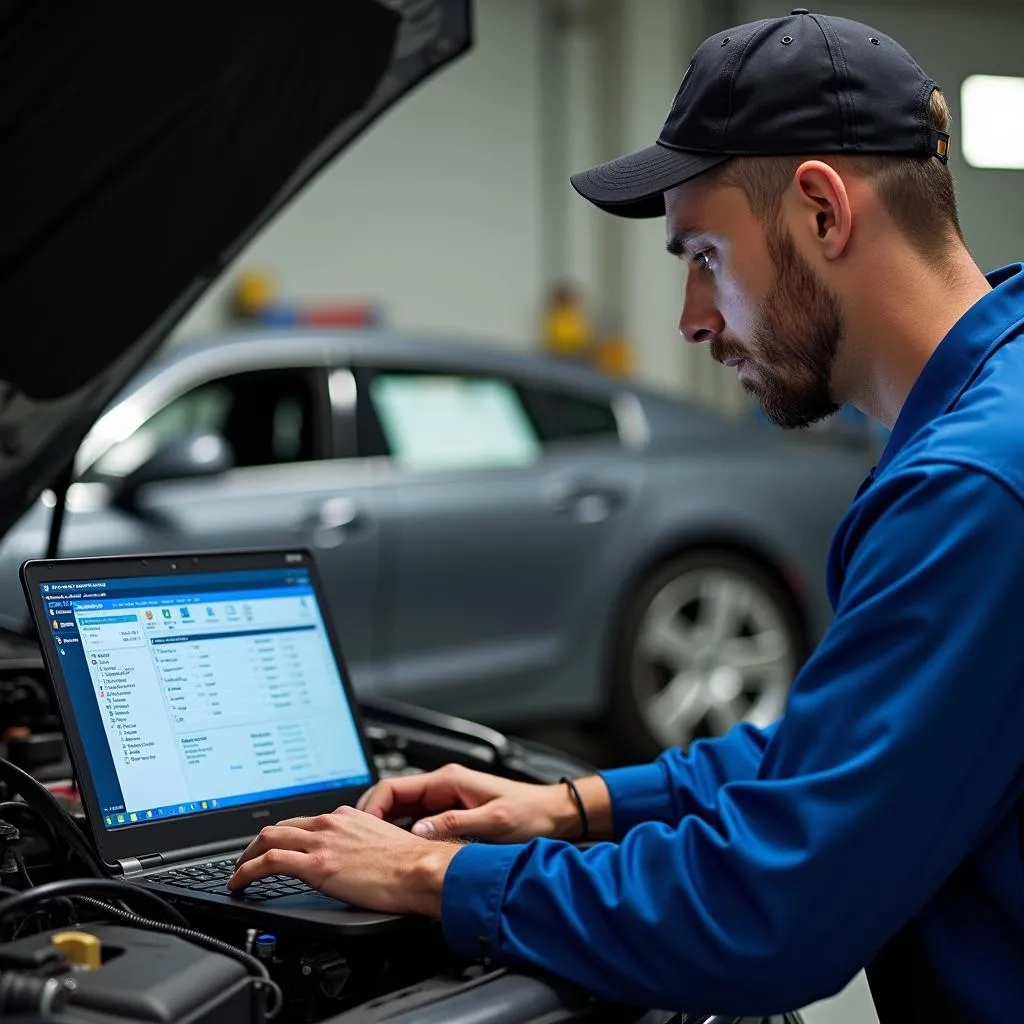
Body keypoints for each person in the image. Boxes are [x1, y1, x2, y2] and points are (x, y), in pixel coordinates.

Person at [228, 11, 1024, 1020]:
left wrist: (426, 878)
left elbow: (769, 911)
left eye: (703, 254)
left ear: (822, 211)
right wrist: (571, 805)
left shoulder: (974, 488)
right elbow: (846, 755)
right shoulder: (991, 409)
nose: (694, 318)